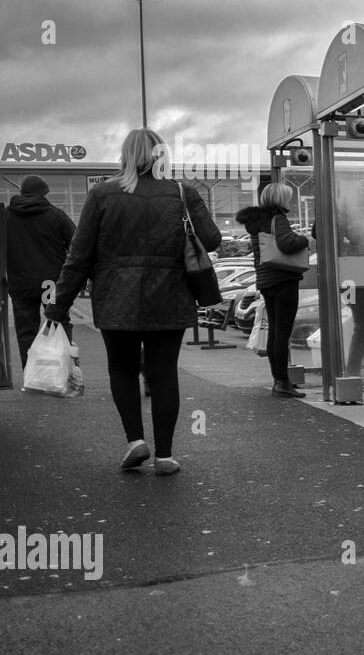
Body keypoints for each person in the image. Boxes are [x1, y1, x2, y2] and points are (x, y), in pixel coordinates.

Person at [44, 129, 221, 475]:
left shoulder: (102, 194)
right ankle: (166, 456)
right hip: (170, 296)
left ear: (125, 155)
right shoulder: (182, 193)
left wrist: (58, 305)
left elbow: (78, 257)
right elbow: (212, 240)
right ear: (161, 155)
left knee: (122, 369)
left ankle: (135, 442)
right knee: (164, 373)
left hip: (115, 297)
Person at [237, 183, 309, 398]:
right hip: (283, 279)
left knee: (275, 331)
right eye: (287, 197)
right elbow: (287, 244)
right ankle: (282, 382)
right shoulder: (278, 218)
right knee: (282, 332)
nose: (290, 201)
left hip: (266, 280)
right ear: (279, 199)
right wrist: (304, 239)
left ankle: (279, 380)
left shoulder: (258, 221)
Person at [5, 175, 75, 368]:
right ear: (45, 192)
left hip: (20, 283)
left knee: (26, 330)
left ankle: (31, 374)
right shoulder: (56, 215)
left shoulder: (7, 216)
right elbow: (76, 244)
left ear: (22, 192)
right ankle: (60, 371)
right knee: (56, 322)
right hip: (49, 284)